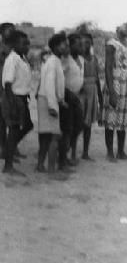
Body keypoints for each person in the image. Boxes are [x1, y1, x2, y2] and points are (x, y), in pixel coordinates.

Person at [102, 21, 127, 162]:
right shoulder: (112, 44)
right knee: (111, 119)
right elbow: (108, 67)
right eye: (126, 25)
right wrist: (111, 91)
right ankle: (110, 152)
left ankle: (121, 152)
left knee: (123, 120)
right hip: (116, 83)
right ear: (117, 28)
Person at [1, 30, 34, 175]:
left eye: (28, 44)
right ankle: (8, 166)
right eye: (23, 43)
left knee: (28, 125)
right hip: (13, 98)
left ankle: (9, 149)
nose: (27, 46)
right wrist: (12, 103)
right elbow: (7, 83)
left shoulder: (23, 59)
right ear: (14, 44)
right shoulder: (12, 59)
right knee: (14, 130)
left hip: (21, 98)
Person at [36, 33, 67, 176]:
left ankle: (40, 165)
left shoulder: (54, 61)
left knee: (45, 136)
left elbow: (56, 85)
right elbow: (49, 86)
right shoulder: (52, 62)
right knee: (55, 136)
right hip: (48, 101)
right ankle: (51, 170)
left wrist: (61, 100)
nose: (66, 47)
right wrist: (53, 106)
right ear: (55, 47)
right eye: (63, 45)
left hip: (48, 99)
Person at [60, 33, 84, 168]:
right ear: (71, 45)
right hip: (66, 98)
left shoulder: (80, 59)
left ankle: (65, 153)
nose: (81, 47)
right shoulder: (66, 60)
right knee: (67, 129)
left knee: (78, 126)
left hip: (76, 98)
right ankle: (62, 159)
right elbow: (60, 78)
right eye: (78, 44)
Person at [79, 33, 102, 160]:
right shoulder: (77, 59)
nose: (85, 45)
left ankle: (85, 152)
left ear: (91, 44)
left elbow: (97, 78)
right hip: (81, 92)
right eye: (82, 43)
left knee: (88, 124)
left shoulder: (94, 59)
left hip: (92, 91)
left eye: (87, 42)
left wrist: (100, 95)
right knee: (78, 122)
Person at [0, 22, 16, 160]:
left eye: (13, 30)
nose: (11, 32)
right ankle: (3, 148)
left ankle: (12, 148)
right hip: (2, 88)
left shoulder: (15, 48)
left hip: (13, 88)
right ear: (2, 33)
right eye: (8, 30)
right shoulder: (1, 49)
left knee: (13, 118)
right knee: (2, 120)